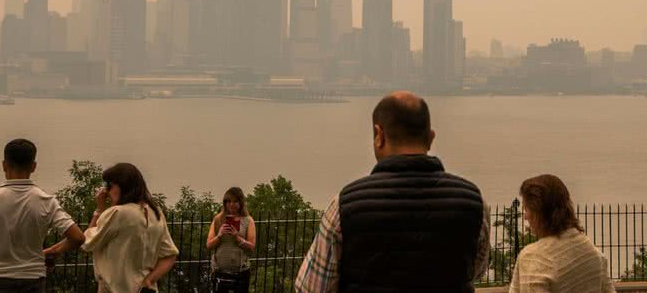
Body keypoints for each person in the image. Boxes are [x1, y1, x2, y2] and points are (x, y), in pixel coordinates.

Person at [295, 91, 490, 293]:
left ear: (379, 135)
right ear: (431, 138)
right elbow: (477, 269)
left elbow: (311, 288)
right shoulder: (474, 203)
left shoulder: (344, 205)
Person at [0, 138, 85, 293]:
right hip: (33, 283)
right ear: (33, 167)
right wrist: (54, 250)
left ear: (4, 165)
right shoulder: (46, 201)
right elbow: (78, 237)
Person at [78, 163, 179, 293]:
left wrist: (98, 210)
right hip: (145, 290)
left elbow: (86, 242)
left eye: (110, 186)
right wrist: (149, 280)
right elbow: (170, 255)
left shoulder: (118, 213)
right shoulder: (156, 212)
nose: (108, 191)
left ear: (122, 186)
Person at [509, 174, 616, 293]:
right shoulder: (595, 255)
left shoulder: (534, 258)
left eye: (526, 209)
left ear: (538, 211)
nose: (525, 216)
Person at [206, 187, 256, 293]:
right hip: (220, 273)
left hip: (241, 273)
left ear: (241, 203)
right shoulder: (218, 219)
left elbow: (251, 247)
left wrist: (237, 237)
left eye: (235, 201)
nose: (231, 205)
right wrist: (219, 235)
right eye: (228, 201)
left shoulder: (248, 220)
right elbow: (209, 245)